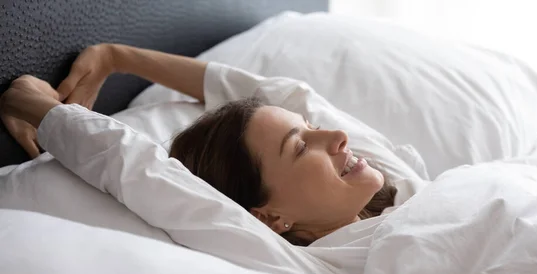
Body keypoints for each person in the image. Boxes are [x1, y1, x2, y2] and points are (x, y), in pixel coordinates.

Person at [0, 44, 424, 247]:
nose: (337, 137)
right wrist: (27, 101)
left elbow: (288, 97)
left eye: (311, 129)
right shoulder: (314, 262)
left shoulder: (391, 189)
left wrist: (116, 57)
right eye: (299, 147)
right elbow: (139, 170)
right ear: (271, 216)